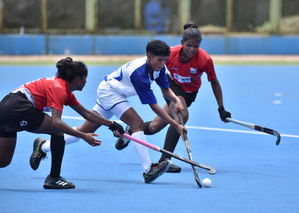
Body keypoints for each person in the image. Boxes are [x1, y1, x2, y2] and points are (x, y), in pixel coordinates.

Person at [30, 40, 187, 184]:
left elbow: (166, 91)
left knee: (85, 131)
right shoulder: (139, 73)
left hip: (114, 92)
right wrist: (176, 124)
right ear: (149, 56)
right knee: (137, 123)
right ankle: (148, 170)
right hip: (110, 93)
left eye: (165, 60)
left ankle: (43, 147)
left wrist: (177, 100)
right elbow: (154, 107)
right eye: (159, 60)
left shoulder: (159, 68)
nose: (162, 63)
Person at [116, 22, 231, 173]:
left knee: (154, 127)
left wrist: (221, 108)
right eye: (188, 45)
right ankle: (165, 159)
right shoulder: (170, 54)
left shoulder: (205, 60)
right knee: (183, 115)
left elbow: (214, 82)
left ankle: (131, 130)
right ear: (182, 43)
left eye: (196, 46)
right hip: (171, 85)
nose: (192, 49)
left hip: (190, 93)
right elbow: (151, 64)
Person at [0, 57, 124, 189]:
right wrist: (84, 135)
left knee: (3, 161)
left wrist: (111, 124)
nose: (86, 81)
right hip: (17, 108)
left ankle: (53, 178)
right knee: (57, 131)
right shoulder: (59, 89)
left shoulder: (64, 89)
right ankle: (54, 178)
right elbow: (56, 122)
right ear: (78, 79)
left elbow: (86, 114)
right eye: (85, 78)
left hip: (6, 106)